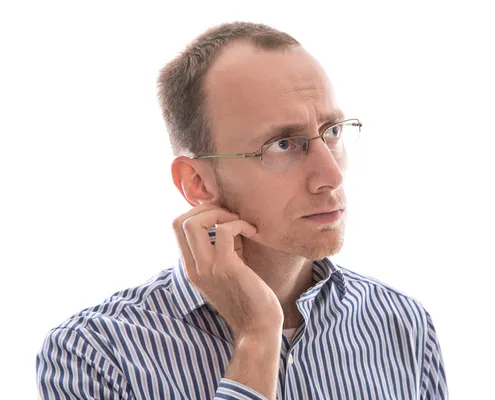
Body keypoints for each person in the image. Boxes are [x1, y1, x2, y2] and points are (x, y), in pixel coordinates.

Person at [36, 21, 447, 400]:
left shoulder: (402, 324)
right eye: (283, 144)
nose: (331, 176)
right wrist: (257, 338)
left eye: (332, 132)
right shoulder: (93, 354)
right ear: (197, 183)